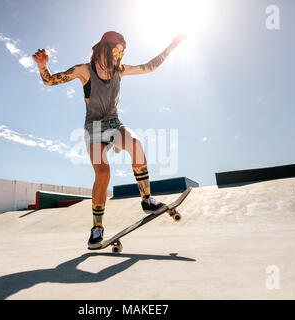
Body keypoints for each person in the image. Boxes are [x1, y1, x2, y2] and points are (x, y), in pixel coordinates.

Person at [32, 31, 185, 249]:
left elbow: (150, 66)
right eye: (116, 50)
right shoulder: (84, 70)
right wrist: (42, 65)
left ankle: (147, 200)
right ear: (105, 48)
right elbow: (49, 81)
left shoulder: (119, 71)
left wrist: (173, 45)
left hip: (115, 124)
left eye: (121, 52)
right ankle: (97, 228)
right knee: (103, 173)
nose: (118, 56)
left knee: (136, 145)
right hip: (93, 128)